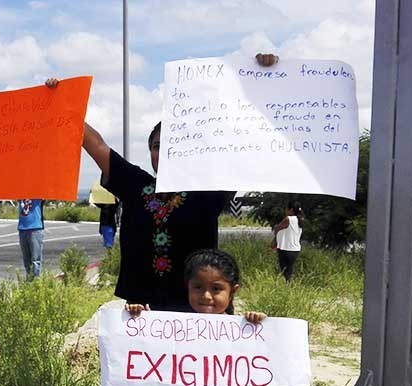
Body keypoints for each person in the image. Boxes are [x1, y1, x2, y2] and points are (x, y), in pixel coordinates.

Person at [47, 53, 278, 314]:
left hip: (201, 309)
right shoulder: (135, 185)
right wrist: (61, 103)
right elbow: (96, 144)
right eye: (157, 146)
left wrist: (265, 79)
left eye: (173, 144)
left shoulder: (209, 190)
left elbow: (249, 147)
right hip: (142, 309)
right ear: (150, 153)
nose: (164, 152)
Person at [127, 248, 266, 324]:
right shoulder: (173, 326)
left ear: (232, 291)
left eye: (216, 289)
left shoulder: (241, 327)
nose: (206, 296)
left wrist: (257, 322)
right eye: (198, 287)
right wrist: (140, 317)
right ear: (188, 287)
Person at [273, 201, 304, 281]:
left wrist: (275, 240)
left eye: (287, 209)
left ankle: (287, 286)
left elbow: (277, 228)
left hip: (285, 249)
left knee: (284, 270)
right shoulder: (300, 219)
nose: (285, 211)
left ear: (291, 210)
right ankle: (289, 285)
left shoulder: (288, 219)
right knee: (289, 269)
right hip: (295, 250)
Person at [18, 199, 45, 278]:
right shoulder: (20, 194)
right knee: (26, 260)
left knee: (35, 260)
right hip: (22, 228)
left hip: (35, 228)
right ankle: (29, 280)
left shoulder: (38, 194)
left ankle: (36, 282)